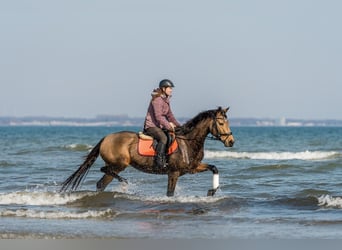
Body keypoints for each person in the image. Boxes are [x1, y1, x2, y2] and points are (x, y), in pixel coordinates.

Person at [144, 79, 181, 170]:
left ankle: (167, 158)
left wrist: (180, 127)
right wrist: (169, 126)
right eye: (169, 88)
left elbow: (170, 115)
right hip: (151, 127)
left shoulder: (166, 100)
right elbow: (158, 117)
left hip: (160, 126)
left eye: (171, 88)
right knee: (163, 138)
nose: (171, 90)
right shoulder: (157, 100)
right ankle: (158, 162)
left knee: (171, 136)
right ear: (163, 89)